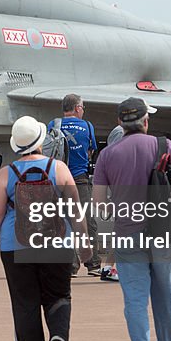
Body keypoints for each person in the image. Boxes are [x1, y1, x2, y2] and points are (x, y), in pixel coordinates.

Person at [0, 116, 87, 341]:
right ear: (41, 141)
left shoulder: (7, 173)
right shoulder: (59, 168)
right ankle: (59, 335)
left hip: (16, 245)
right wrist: (84, 242)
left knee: (25, 302)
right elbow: (75, 210)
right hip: (56, 242)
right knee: (59, 295)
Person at [92, 97, 171, 341]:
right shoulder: (165, 146)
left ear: (120, 122)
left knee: (135, 300)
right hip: (162, 232)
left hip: (127, 233)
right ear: (146, 121)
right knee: (166, 297)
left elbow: (99, 204)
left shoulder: (108, 154)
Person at [48, 94, 99, 274]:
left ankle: (71, 265)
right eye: (82, 107)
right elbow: (91, 149)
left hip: (59, 179)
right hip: (79, 178)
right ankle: (93, 263)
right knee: (86, 220)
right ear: (77, 108)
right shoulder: (87, 126)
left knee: (63, 222)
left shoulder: (54, 125)